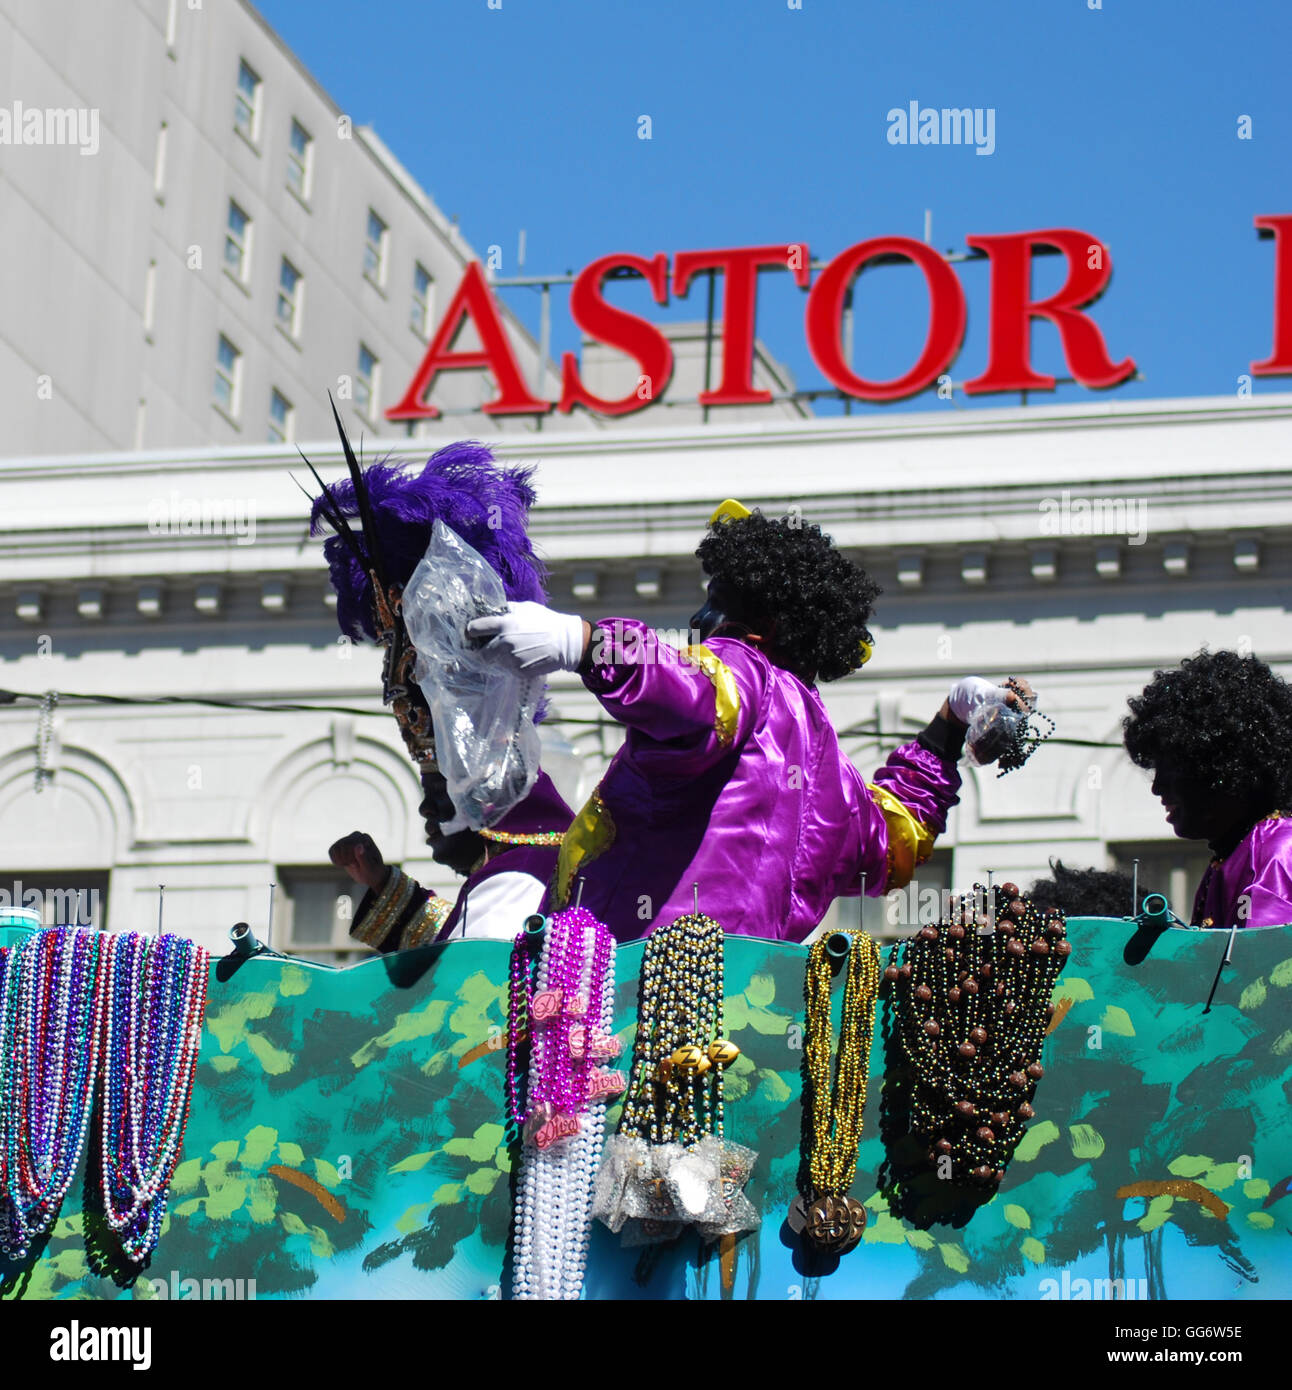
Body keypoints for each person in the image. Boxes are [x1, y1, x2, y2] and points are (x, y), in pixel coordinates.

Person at [469, 501, 1036, 942]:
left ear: (760, 624)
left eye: (714, 600)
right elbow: (894, 840)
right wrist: (951, 721)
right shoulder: (831, 775)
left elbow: (688, 695)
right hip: (749, 1026)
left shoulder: (744, 673)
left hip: (634, 1002)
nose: (697, 617)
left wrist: (585, 643)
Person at [308, 415, 572, 950]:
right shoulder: (525, 863)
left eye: (438, 786)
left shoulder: (516, 876)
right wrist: (384, 888)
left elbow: (457, 1005)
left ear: (490, 779)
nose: (428, 810)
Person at [1123, 649, 1292, 928]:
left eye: (1172, 768)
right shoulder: (1231, 856)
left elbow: (1260, 969)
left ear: (1225, 767)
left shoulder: (1277, 850)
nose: (1157, 787)